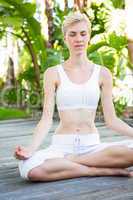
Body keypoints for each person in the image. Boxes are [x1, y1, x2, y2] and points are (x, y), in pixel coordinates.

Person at [15, 11, 133, 181]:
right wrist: (31, 149)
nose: (78, 39)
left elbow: (112, 120)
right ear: (65, 38)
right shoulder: (53, 73)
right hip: (62, 146)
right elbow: (46, 119)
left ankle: (74, 162)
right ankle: (98, 170)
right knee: (31, 170)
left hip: (92, 146)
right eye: (73, 34)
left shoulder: (103, 73)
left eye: (83, 34)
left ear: (89, 36)